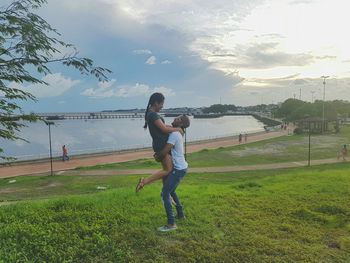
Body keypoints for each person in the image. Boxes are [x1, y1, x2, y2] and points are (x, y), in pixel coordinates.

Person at [136, 93, 183, 192]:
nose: (162, 106)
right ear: (156, 103)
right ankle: (144, 182)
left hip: (160, 144)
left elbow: (163, 127)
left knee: (166, 171)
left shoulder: (151, 114)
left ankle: (167, 194)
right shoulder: (152, 114)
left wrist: (173, 128)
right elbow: (164, 129)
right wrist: (178, 129)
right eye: (161, 104)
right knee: (168, 169)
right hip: (161, 145)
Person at [154, 115, 190, 232]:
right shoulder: (179, 132)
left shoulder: (175, 134)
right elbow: (166, 127)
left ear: (181, 125)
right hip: (182, 167)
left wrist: (157, 156)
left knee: (165, 193)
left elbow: (165, 150)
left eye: (178, 119)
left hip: (178, 169)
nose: (175, 119)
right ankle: (180, 214)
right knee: (172, 191)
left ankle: (171, 223)